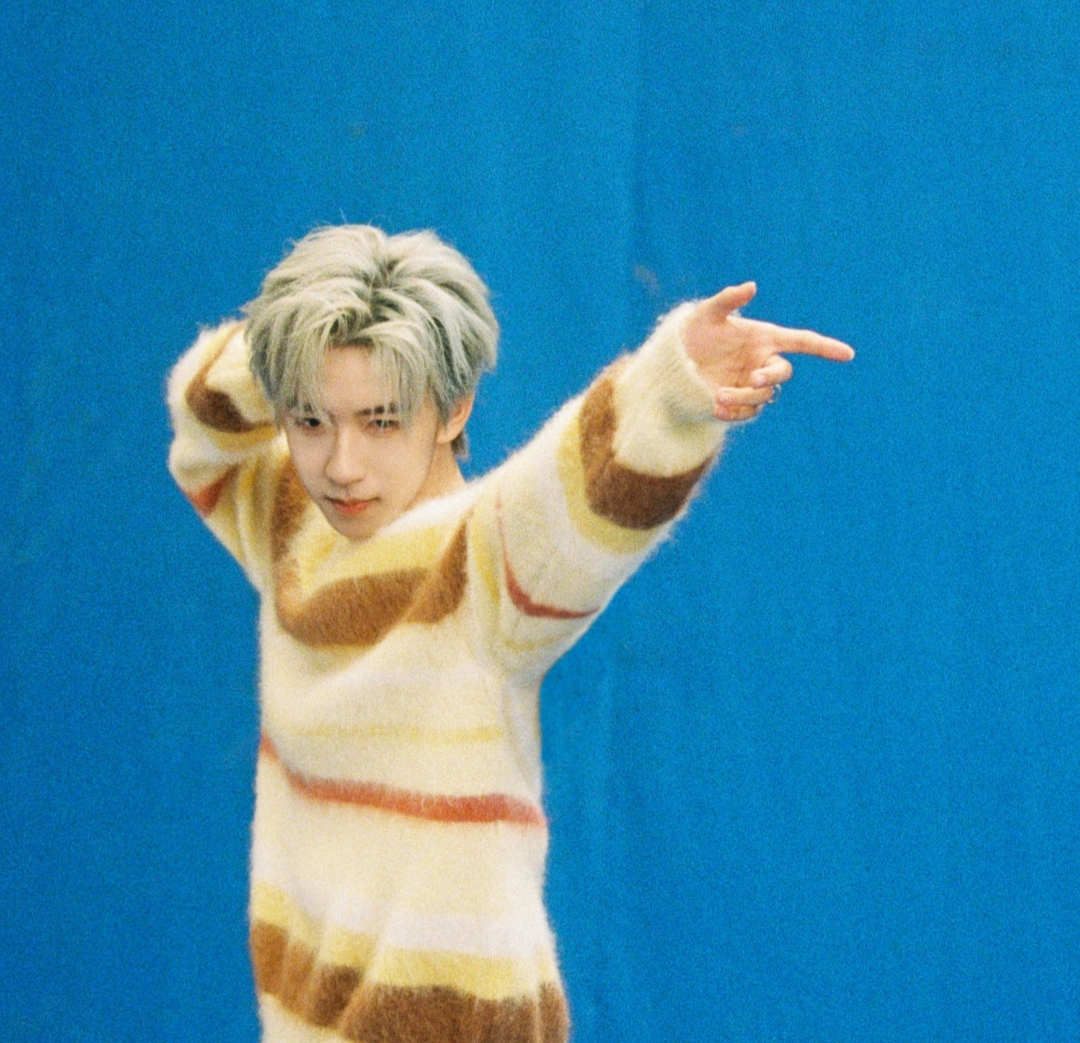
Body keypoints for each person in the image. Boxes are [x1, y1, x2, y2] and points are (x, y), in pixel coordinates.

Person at [167, 224, 853, 1043]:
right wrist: (297, 340)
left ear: (453, 407)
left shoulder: (479, 568)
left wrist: (669, 383)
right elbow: (199, 435)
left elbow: (586, 495)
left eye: (381, 420)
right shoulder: (292, 527)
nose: (341, 464)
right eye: (310, 421)